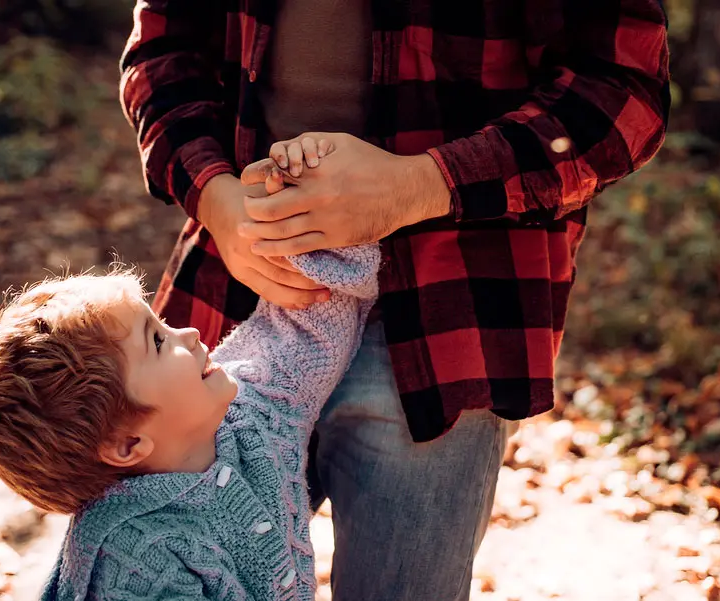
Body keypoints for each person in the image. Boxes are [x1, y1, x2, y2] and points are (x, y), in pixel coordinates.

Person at [119, 1, 670, 599]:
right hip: (238, 290)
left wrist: (422, 185)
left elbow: (623, 93)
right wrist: (213, 194)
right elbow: (162, 48)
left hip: (444, 315)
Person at [0, 141, 379, 600]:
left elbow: (303, 333)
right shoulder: (135, 561)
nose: (190, 334)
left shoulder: (253, 416)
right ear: (128, 444)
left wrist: (309, 208)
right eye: (158, 341)